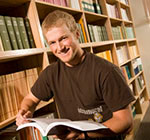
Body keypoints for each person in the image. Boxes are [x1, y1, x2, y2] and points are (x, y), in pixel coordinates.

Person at [16, 10, 135, 140]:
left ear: (77, 34)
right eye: (52, 43)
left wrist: (82, 135)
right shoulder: (51, 73)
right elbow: (31, 99)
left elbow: (125, 121)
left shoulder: (106, 71)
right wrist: (25, 111)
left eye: (63, 38)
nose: (59, 47)